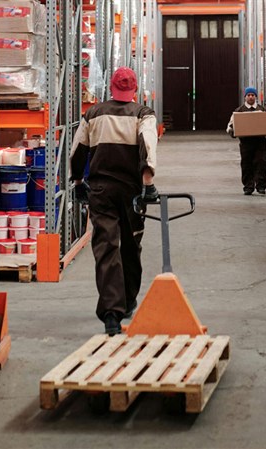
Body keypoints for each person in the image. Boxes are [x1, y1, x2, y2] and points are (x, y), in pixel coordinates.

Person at [70, 67, 159, 335]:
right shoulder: (143, 114)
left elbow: (78, 150)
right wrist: (148, 182)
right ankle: (128, 301)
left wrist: (77, 182)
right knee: (131, 245)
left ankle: (111, 312)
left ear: (111, 87)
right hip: (132, 192)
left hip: (101, 190)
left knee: (107, 246)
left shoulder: (93, 113)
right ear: (135, 89)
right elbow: (147, 145)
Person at [227, 87, 266, 195]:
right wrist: (233, 131)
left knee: (261, 163)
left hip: (260, 143)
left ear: (256, 96)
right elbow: (230, 126)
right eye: (248, 95)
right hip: (246, 143)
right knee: (246, 164)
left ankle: (261, 186)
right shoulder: (239, 111)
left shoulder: (262, 110)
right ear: (245, 97)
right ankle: (248, 186)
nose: (251, 97)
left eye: (253, 95)